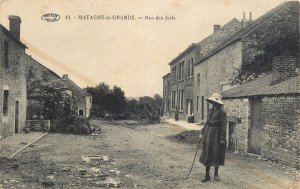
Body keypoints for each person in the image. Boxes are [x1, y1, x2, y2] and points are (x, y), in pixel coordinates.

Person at [199, 93, 227, 182]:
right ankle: (207, 175)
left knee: (216, 153)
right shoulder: (210, 110)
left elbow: (223, 125)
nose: (213, 103)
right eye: (212, 102)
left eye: (214, 102)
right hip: (208, 132)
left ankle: (216, 174)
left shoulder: (222, 112)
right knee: (207, 152)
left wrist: (222, 138)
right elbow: (207, 122)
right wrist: (202, 132)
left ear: (218, 103)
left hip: (216, 133)